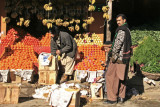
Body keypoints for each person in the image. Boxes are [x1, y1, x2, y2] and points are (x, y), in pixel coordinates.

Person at [96, 14, 132, 104]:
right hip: (124, 58)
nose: (118, 22)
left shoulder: (122, 30)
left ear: (124, 20)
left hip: (118, 59)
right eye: (117, 21)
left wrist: (111, 56)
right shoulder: (127, 29)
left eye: (119, 20)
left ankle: (112, 98)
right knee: (122, 77)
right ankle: (121, 97)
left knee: (111, 77)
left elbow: (117, 45)